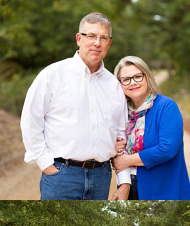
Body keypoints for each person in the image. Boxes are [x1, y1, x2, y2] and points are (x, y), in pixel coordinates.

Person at [21, 12, 131, 200]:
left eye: (103, 38)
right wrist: (46, 164)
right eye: (91, 36)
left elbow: (121, 135)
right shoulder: (53, 75)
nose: (97, 43)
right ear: (79, 39)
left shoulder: (114, 85)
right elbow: (31, 121)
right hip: (61, 176)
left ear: (109, 43)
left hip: (101, 177)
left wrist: (124, 181)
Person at [112, 56, 190, 199]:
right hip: (129, 187)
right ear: (119, 84)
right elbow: (117, 151)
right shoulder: (121, 112)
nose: (133, 83)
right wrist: (124, 184)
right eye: (126, 79)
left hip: (162, 187)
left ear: (147, 77)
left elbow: (167, 148)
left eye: (137, 76)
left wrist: (127, 160)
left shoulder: (166, 106)